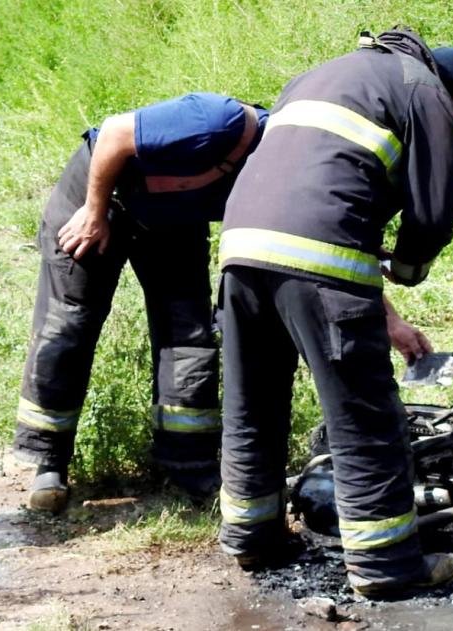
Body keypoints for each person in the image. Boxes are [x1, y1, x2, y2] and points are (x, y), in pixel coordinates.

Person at [215, 27, 453, 597]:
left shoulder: (323, 74)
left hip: (239, 249)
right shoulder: (423, 89)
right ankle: (386, 567)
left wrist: (382, 302)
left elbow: (316, 189)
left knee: (252, 401)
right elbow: (434, 208)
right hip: (317, 256)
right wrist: (408, 269)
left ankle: (252, 539)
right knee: (363, 415)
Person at [15, 93, 270, 513]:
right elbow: (115, 132)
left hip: (174, 221)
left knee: (188, 336)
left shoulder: (278, 175)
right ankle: (50, 460)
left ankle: (187, 464)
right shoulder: (217, 121)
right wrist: (94, 211)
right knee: (69, 325)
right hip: (99, 194)